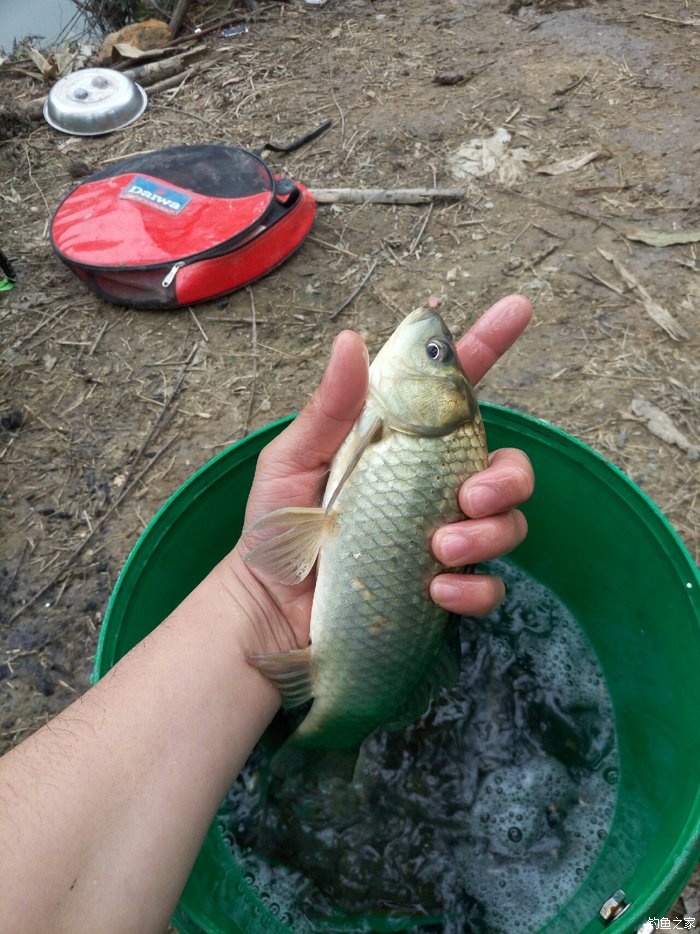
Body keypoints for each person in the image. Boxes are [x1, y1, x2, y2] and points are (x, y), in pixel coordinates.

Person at [0, 294, 535, 934]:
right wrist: (258, 597)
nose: (425, 341)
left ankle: (313, 750)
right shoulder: (401, 424)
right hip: (342, 648)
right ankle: (319, 750)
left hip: (340, 657)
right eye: (436, 354)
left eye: (432, 354)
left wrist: (258, 609)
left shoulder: (409, 429)